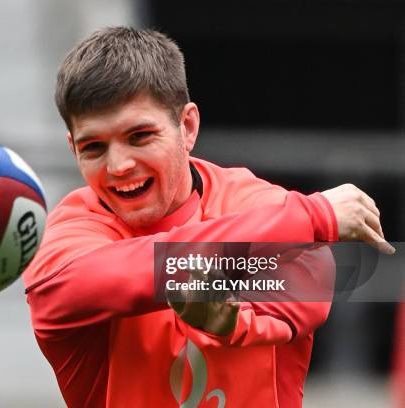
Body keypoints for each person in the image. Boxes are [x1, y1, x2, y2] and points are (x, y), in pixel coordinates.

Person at [23, 27, 394, 407]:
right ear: (72, 149)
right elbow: (73, 286)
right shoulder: (70, 231)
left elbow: (308, 287)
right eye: (94, 147)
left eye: (139, 136)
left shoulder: (256, 203)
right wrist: (312, 214)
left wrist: (234, 322)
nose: (118, 165)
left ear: (187, 127)